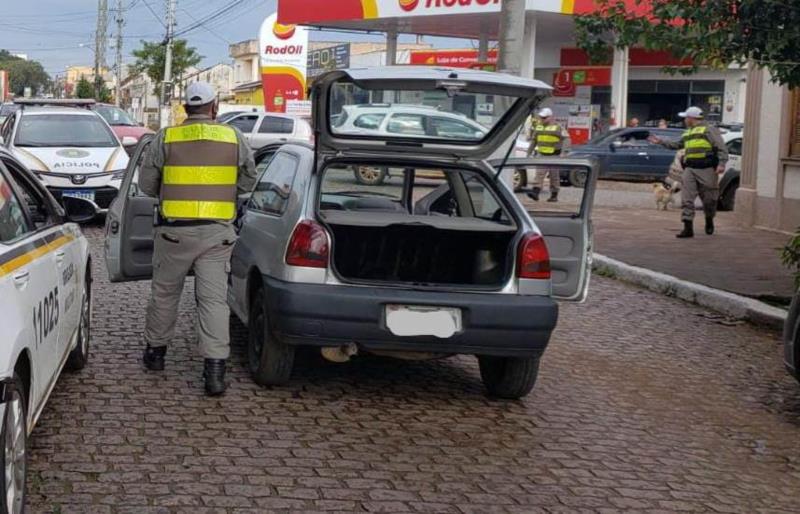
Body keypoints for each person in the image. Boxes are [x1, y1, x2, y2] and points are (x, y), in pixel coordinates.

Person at [138, 81, 258, 396]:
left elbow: (147, 185)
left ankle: (156, 354)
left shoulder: (167, 137)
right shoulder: (234, 137)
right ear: (213, 107)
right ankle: (215, 371)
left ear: (186, 108)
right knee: (214, 300)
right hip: (217, 234)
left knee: (164, 294)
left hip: (174, 233)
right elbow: (248, 181)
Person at [649, 106, 728, 238]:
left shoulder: (709, 130)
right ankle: (688, 228)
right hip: (690, 169)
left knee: (709, 200)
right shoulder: (688, 132)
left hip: (707, 169)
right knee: (687, 199)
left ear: (692, 118)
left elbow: (721, 147)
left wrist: (721, 163)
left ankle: (709, 219)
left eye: (686, 117)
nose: (685, 120)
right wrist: (660, 142)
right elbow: (677, 145)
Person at [527, 107, 570, 202]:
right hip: (542, 154)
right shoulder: (538, 127)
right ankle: (535, 192)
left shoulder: (558, 127)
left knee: (554, 175)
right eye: (541, 117)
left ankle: (554, 195)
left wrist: (564, 152)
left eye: (544, 117)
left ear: (550, 117)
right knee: (539, 174)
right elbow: (534, 140)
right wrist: (529, 152)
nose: (542, 119)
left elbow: (566, 139)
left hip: (554, 155)